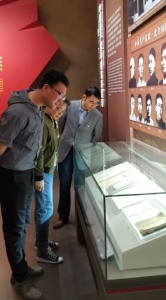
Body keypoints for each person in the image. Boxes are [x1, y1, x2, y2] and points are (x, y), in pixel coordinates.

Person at [0, 69, 69, 300]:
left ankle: (21, 266)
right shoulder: (18, 112)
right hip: (11, 176)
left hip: (25, 173)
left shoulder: (39, 108)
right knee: (14, 228)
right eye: (60, 94)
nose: (60, 100)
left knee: (22, 223)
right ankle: (19, 277)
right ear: (46, 88)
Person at [53, 86, 103, 230]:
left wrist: (85, 146)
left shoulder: (97, 116)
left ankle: (84, 214)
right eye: (91, 102)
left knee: (81, 186)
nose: (93, 106)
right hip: (66, 149)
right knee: (64, 184)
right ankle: (63, 216)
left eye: (96, 103)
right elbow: (61, 124)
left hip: (83, 153)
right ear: (84, 97)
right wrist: (66, 139)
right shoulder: (70, 106)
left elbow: (96, 136)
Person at [33, 97, 69, 265]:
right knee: (45, 208)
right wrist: (39, 177)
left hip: (48, 169)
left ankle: (40, 241)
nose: (60, 113)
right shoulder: (44, 123)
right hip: (43, 173)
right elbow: (39, 152)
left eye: (63, 112)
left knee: (44, 207)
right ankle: (42, 249)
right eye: (58, 109)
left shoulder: (52, 121)